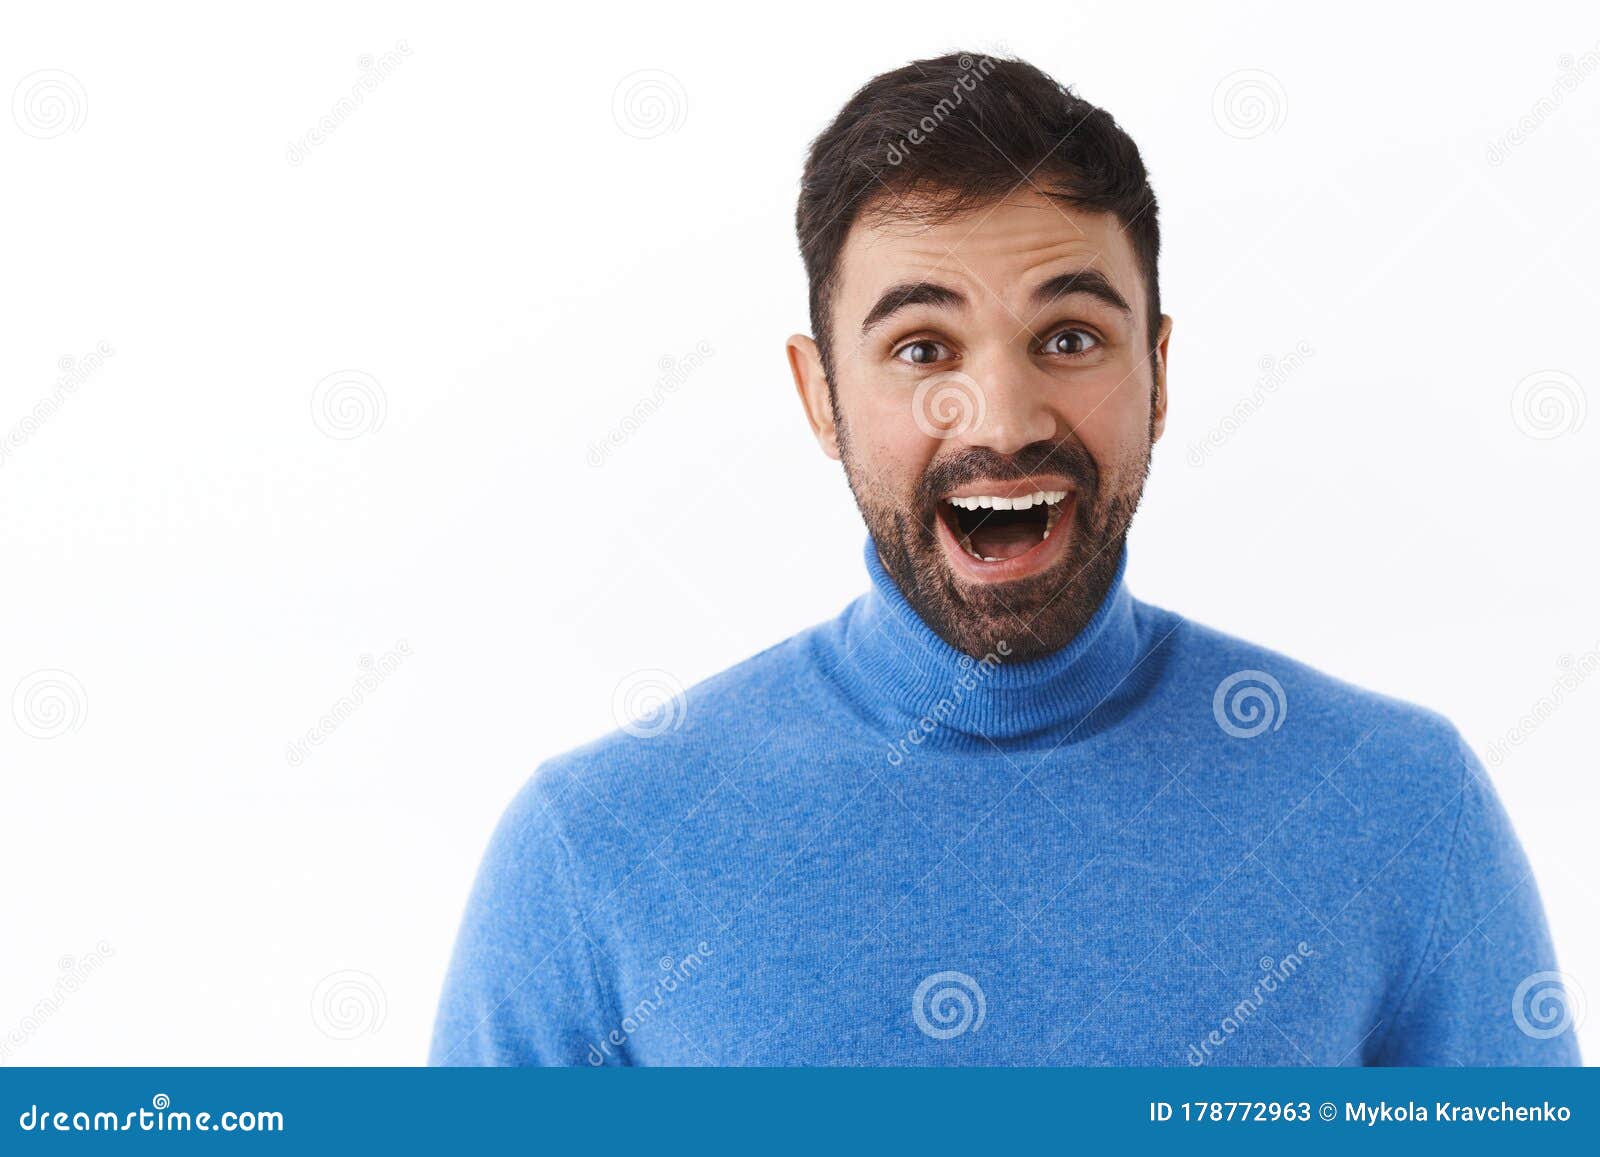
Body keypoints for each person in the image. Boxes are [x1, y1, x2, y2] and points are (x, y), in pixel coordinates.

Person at [429, 52, 1579, 1066]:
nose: (1003, 415)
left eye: (1068, 337)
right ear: (819, 395)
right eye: (921, 345)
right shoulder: (592, 847)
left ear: (1160, 374)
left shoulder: (1401, 803)